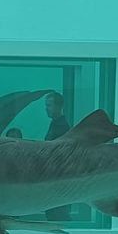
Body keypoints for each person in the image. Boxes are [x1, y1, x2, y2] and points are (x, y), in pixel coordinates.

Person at [44, 91, 74, 221]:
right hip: (55, 177)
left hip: (59, 177)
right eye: (46, 105)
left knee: (58, 213)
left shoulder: (62, 127)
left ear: (58, 106)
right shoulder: (55, 124)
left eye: (49, 105)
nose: (46, 109)